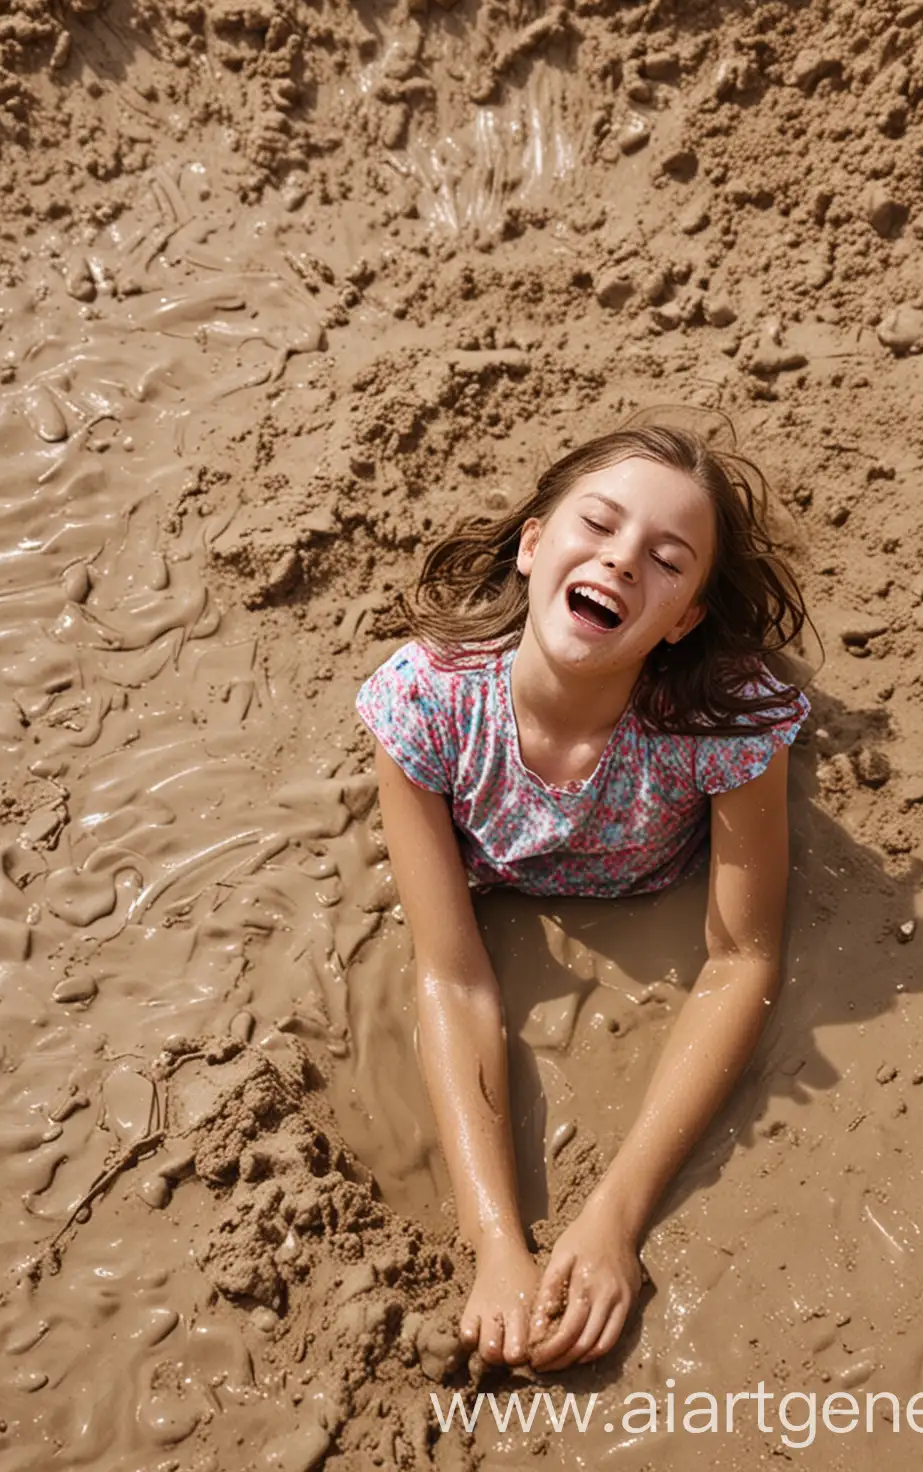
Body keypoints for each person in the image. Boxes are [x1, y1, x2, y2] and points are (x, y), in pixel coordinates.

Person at [355, 416, 811, 1373]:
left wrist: (616, 1218)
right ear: (532, 545)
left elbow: (742, 962)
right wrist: (494, 1244)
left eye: (667, 560)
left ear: (684, 617)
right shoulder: (426, 706)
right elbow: (453, 978)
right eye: (597, 525)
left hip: (659, 866)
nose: (622, 561)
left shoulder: (719, 724)